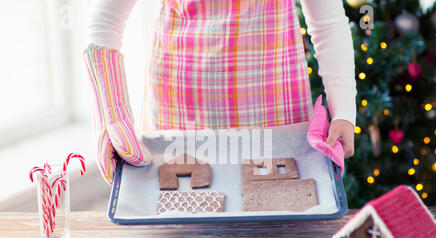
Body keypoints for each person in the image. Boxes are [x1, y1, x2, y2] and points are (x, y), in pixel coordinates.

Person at [84, 0, 356, 184]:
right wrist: (110, 113)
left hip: (274, 111)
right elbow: (105, 21)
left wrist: (343, 109)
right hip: (179, 113)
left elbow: (327, 22)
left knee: (277, 237)